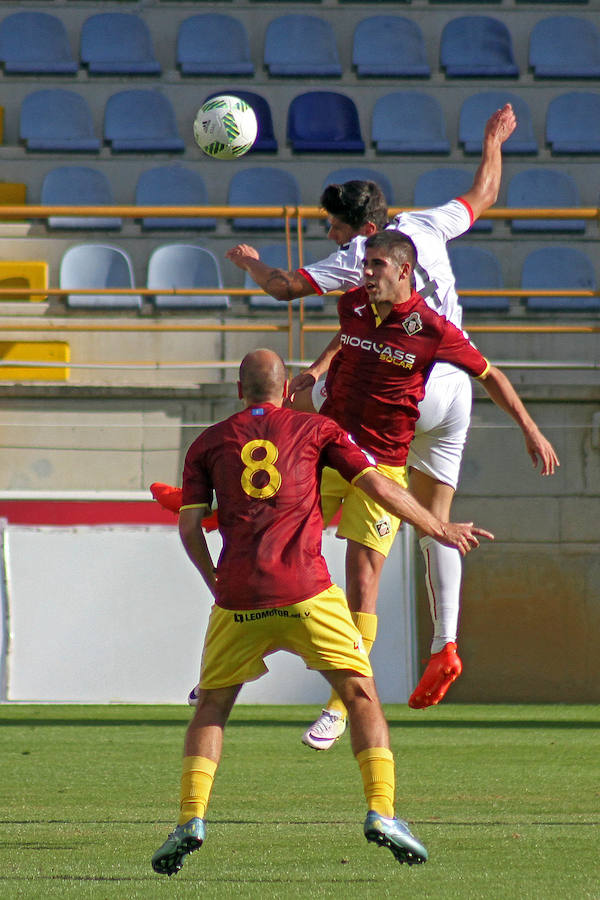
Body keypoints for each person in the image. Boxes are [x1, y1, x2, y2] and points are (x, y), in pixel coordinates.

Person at [223, 104, 558, 741]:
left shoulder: (358, 258)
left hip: (403, 393)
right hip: (455, 392)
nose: (331, 237)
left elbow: (286, 288)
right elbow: (485, 193)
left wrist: (253, 265)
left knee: (324, 482)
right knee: (435, 518)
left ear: (362, 231)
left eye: (333, 226)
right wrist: (492, 141)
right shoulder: (426, 223)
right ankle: (446, 643)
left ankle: (269, 515)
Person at [150, 349, 493, 877]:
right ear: (287, 389)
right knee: (360, 697)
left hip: (238, 600)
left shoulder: (208, 442)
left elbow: (191, 529)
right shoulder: (317, 429)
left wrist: (216, 584)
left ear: (240, 391)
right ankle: (382, 812)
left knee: (212, 708)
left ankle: (190, 819)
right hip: (309, 593)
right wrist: (436, 526)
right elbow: (378, 484)